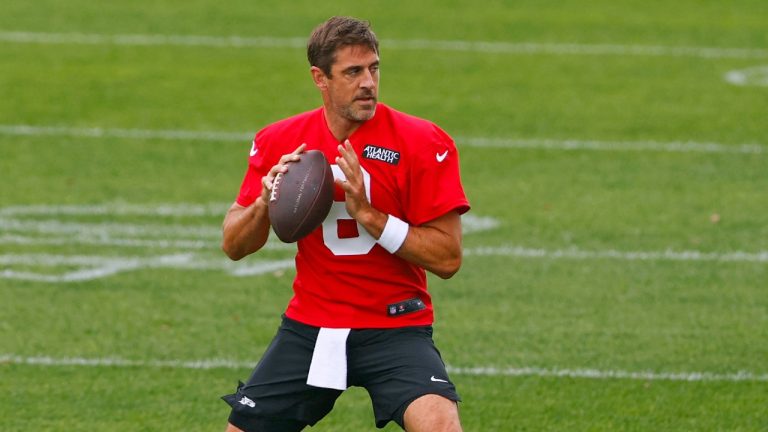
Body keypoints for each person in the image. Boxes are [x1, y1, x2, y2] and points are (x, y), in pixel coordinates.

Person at [220, 16, 470, 432]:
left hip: (396, 326)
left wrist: (371, 217)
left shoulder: (424, 142)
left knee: (441, 425)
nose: (368, 82)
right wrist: (265, 201)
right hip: (310, 326)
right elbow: (233, 244)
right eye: (353, 72)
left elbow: (447, 258)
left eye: (373, 68)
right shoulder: (280, 141)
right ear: (320, 78)